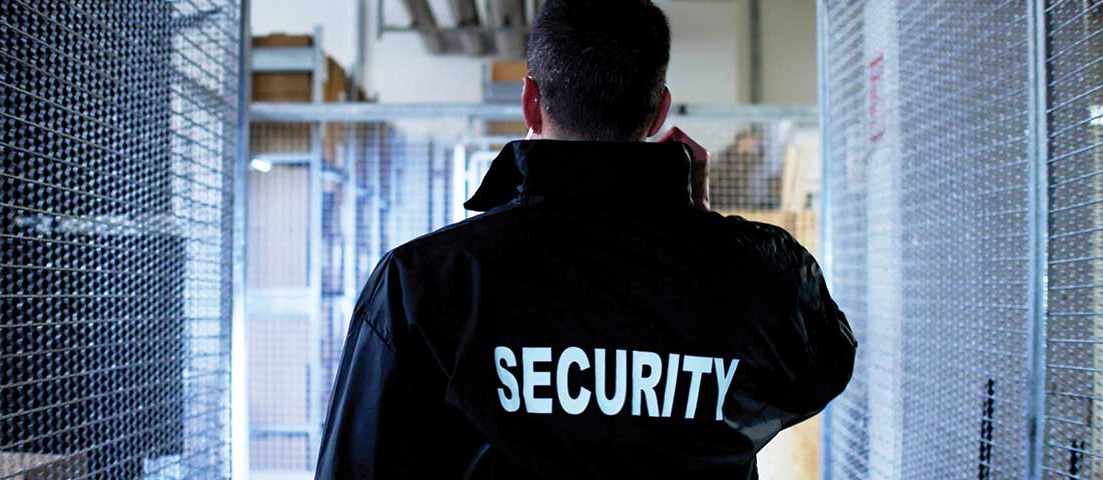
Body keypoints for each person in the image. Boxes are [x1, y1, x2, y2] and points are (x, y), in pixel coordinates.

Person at [314, 1, 856, 478]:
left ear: (530, 102)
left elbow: (359, 464)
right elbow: (816, 375)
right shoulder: (766, 275)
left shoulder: (421, 284)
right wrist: (705, 230)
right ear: (660, 110)